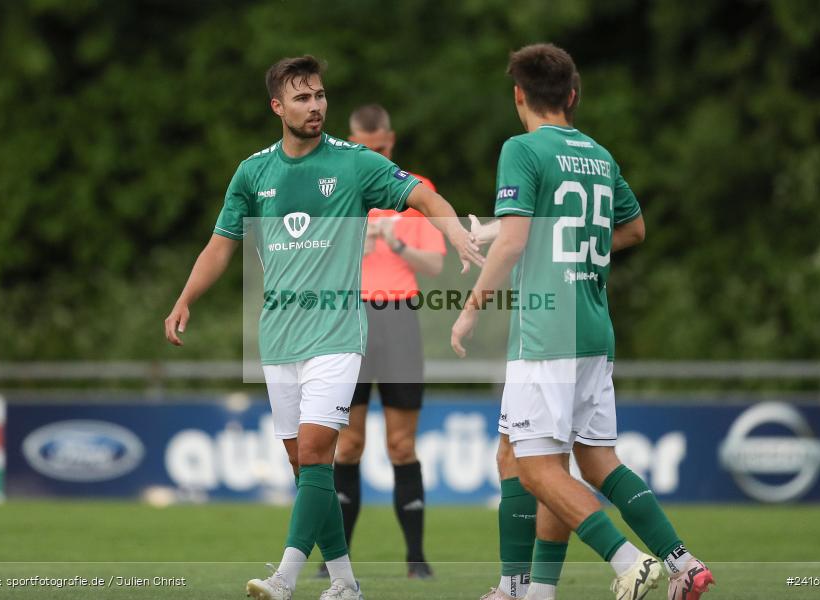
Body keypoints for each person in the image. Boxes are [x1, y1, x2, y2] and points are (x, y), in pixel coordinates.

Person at [164, 54, 482, 600]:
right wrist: (185, 298)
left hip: (337, 334)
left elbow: (424, 196)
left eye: (319, 95)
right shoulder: (253, 172)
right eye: (302, 98)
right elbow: (221, 245)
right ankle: (345, 583)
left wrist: (452, 232)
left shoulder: (356, 163)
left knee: (316, 453)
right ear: (277, 107)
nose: (314, 106)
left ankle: (284, 577)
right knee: (305, 465)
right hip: (277, 337)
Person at [452, 44, 715, 600]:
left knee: (534, 468)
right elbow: (633, 229)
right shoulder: (598, 155)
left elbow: (520, 238)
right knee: (590, 460)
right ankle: (681, 565)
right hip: (594, 329)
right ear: (572, 96)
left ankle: (625, 561)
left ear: (519, 95)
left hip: (547, 333)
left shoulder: (521, 148)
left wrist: (471, 307)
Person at [324, 104, 443, 579]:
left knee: (400, 444)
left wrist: (394, 243)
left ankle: (416, 559)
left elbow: (434, 265)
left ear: (390, 143)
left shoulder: (416, 191)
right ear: (351, 143)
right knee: (347, 445)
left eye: (380, 148)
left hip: (397, 320)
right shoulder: (334, 189)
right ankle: (336, 560)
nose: (373, 155)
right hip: (347, 319)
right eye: (364, 149)